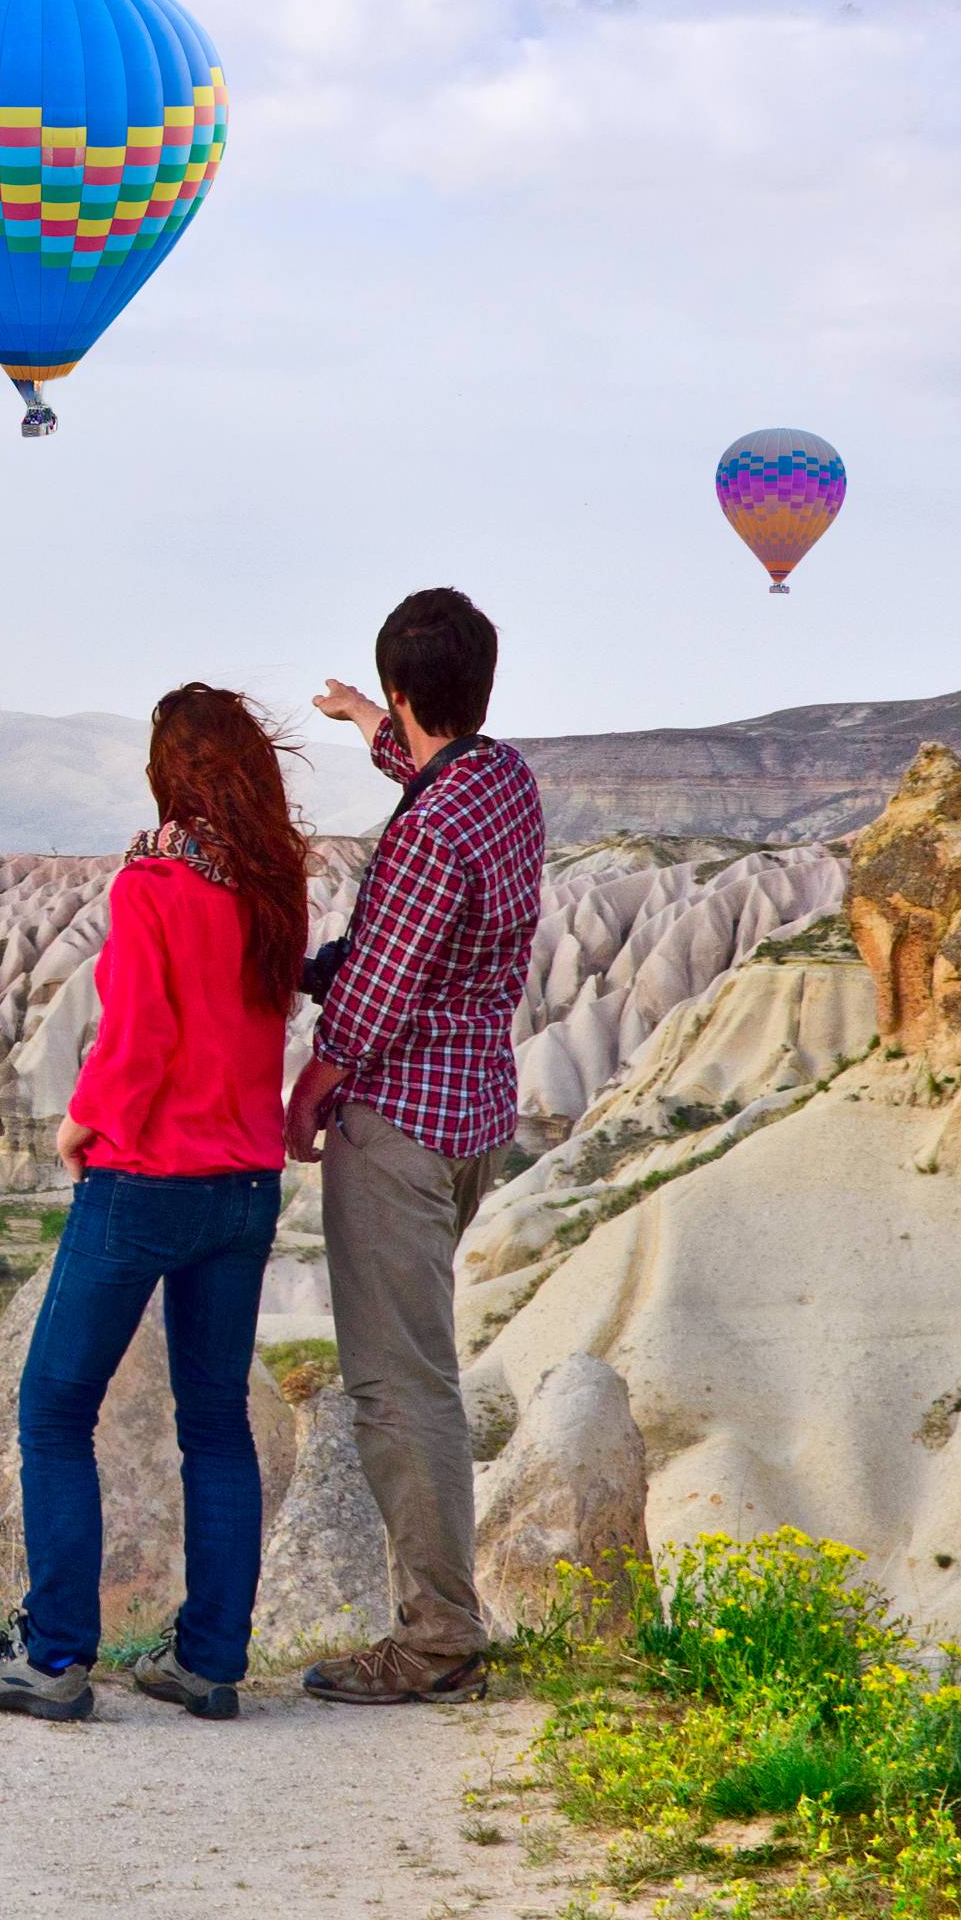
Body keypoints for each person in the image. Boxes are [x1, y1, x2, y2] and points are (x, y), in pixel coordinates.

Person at [0, 683, 316, 1723]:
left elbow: (138, 1034)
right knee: (215, 1426)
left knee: (53, 1408)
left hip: (146, 1180)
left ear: (168, 773)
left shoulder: (153, 880)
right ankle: (208, 1663)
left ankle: (52, 1657)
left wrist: (80, 1121)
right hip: (243, 1188)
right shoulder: (272, 885)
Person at [291, 586, 546, 1704]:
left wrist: (310, 1082)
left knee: (399, 1388)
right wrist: (366, 725)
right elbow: (431, 773)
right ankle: (441, 1619)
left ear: (407, 691)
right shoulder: (500, 783)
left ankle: (437, 1638)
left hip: (394, 1127)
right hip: (473, 1116)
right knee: (420, 1372)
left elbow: (376, 988)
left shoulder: (426, 833)